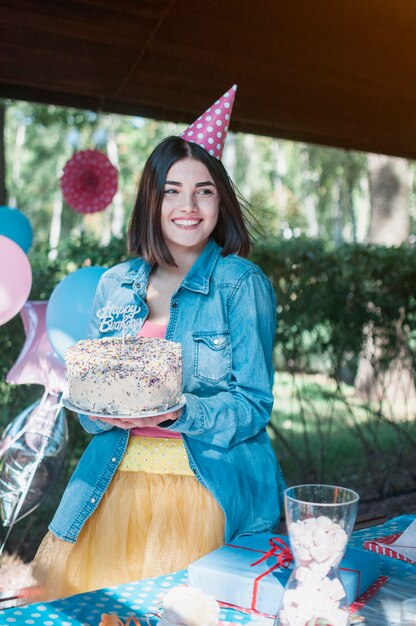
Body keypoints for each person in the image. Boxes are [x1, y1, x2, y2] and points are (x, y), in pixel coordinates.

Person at [33, 85, 286, 600]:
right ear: (152, 198)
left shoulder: (241, 283)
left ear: (221, 200)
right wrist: (109, 412)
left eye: (204, 190)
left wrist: (176, 410)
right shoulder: (116, 283)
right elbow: (87, 408)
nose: (187, 206)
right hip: (111, 486)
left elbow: (253, 405)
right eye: (172, 189)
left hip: (207, 490)